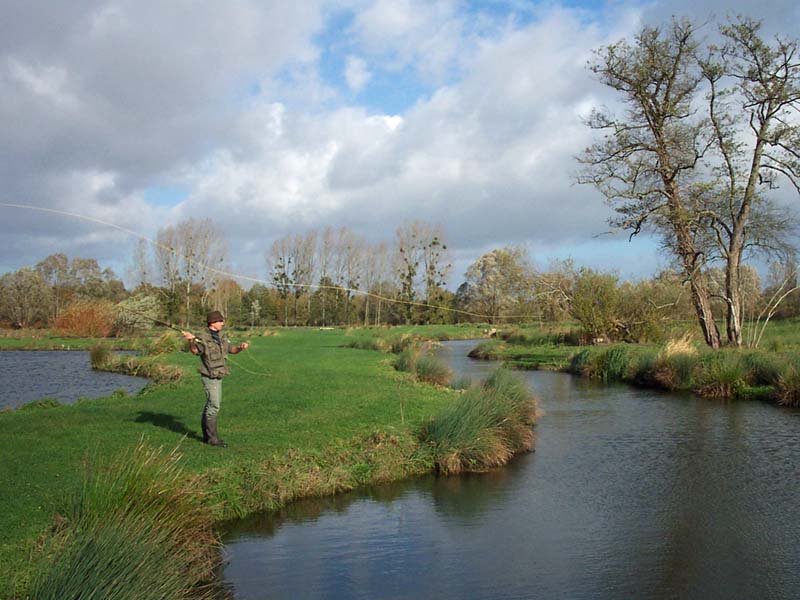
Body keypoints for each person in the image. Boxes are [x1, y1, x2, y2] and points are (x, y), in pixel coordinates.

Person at [182, 310, 249, 447]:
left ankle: (207, 437)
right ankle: (212, 439)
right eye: (220, 321)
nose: (223, 323)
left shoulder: (222, 336)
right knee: (214, 405)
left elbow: (232, 350)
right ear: (212, 322)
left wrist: (241, 348)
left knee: (211, 405)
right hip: (209, 375)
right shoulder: (202, 337)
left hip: (219, 373)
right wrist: (191, 341)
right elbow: (195, 351)